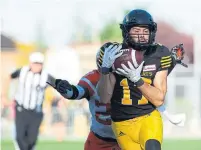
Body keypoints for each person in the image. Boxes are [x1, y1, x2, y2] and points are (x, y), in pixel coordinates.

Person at [50, 42, 185, 150]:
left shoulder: (129, 74)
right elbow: (76, 92)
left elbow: (154, 73)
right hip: (100, 140)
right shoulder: (92, 78)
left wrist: (172, 60)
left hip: (126, 135)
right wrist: (66, 89)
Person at [97, 9, 186, 150]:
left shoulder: (158, 53)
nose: (141, 35)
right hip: (121, 123)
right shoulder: (113, 53)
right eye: (136, 30)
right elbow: (103, 97)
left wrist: (137, 79)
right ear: (126, 31)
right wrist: (105, 70)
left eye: (145, 31)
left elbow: (159, 99)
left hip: (148, 117)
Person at [3, 52, 55, 150]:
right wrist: (4, 96)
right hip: (21, 109)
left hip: (36, 111)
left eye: (39, 63)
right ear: (30, 63)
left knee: (32, 140)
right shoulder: (22, 71)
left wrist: (54, 101)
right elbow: (8, 78)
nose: (37, 66)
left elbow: (57, 85)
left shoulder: (46, 76)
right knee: (20, 137)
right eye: (35, 63)